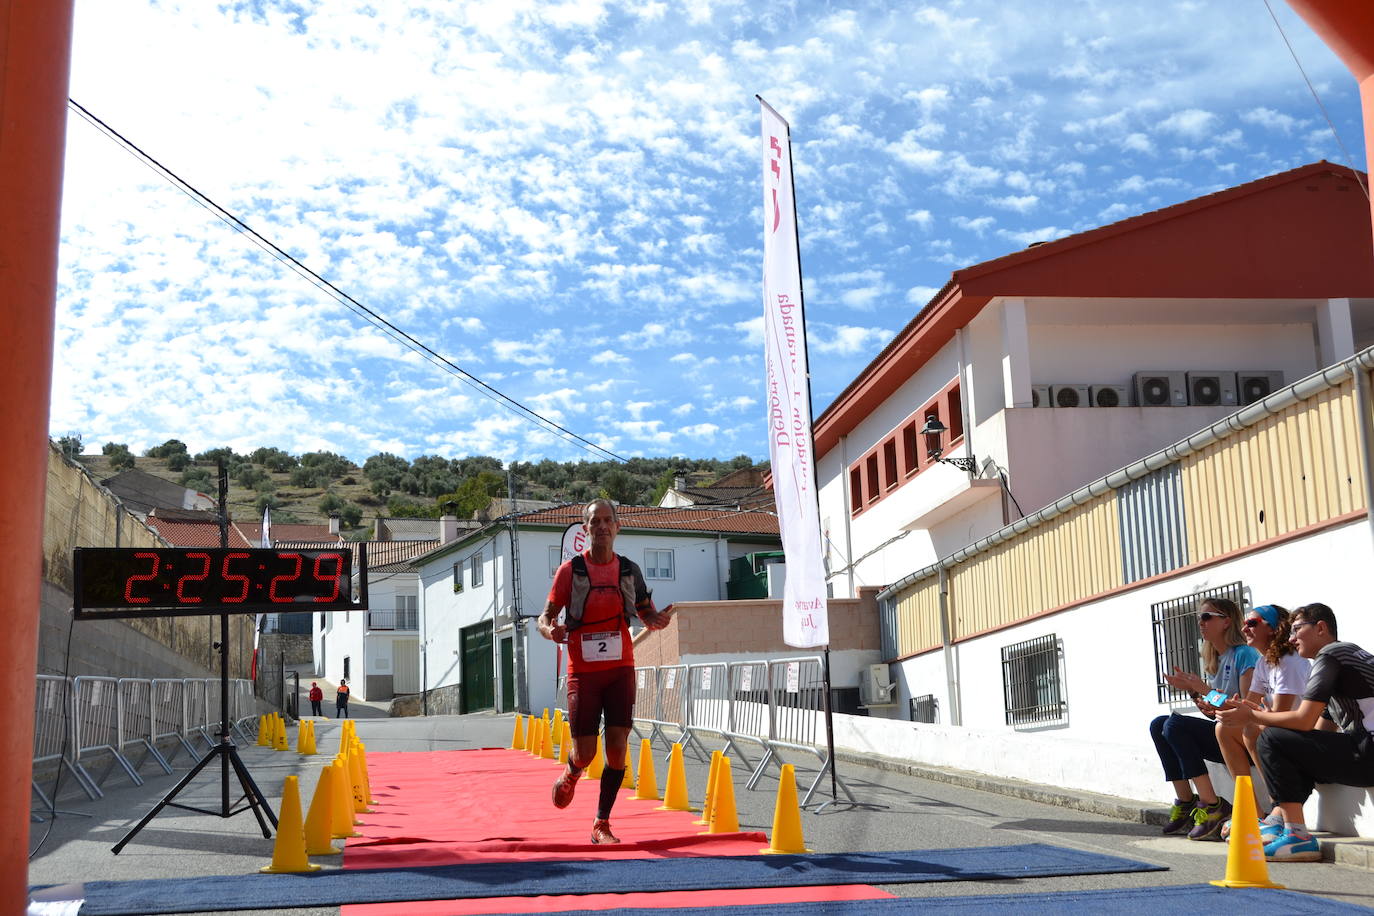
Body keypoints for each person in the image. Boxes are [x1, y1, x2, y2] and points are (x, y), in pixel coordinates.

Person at [539, 498, 674, 845]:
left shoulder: (629, 571)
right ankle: (572, 771)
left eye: (606, 520)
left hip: (620, 670)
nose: (601, 526)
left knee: (617, 749)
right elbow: (545, 618)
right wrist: (550, 631)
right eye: (594, 521)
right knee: (586, 753)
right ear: (585, 530)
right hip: (583, 673)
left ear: (617, 527)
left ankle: (602, 822)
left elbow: (645, 611)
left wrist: (657, 621)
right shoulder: (570, 571)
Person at [1217, 603, 1374, 862]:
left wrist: (1252, 715)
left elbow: (1302, 721)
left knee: (1271, 737)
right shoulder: (1345, 657)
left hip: (1368, 751)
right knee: (1287, 743)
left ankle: (1297, 836)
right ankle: (1280, 818)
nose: (1290, 638)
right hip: (1362, 748)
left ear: (1321, 628)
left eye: (1297, 629)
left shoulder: (1332, 655)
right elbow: (1318, 731)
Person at [1151, 596, 1259, 840]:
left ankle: (1212, 806)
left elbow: (1244, 707)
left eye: (1207, 617)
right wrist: (1194, 692)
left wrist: (1203, 689)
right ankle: (1186, 801)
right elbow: (1214, 710)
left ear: (1226, 622)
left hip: (1242, 738)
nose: (1201, 622)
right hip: (1224, 732)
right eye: (1199, 618)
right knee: (1159, 725)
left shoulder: (1244, 655)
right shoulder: (1216, 659)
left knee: (1175, 724)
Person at [1213, 604, 1310, 840]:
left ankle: (1277, 806)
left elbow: (1277, 713)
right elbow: (1247, 705)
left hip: (1299, 731)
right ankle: (1252, 812)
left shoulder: (1289, 661)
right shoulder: (1263, 662)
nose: (1245, 628)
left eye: (1252, 623)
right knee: (1223, 728)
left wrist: (1204, 691)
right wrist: (1208, 699)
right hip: (1272, 726)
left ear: (1274, 629)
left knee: (1251, 729)